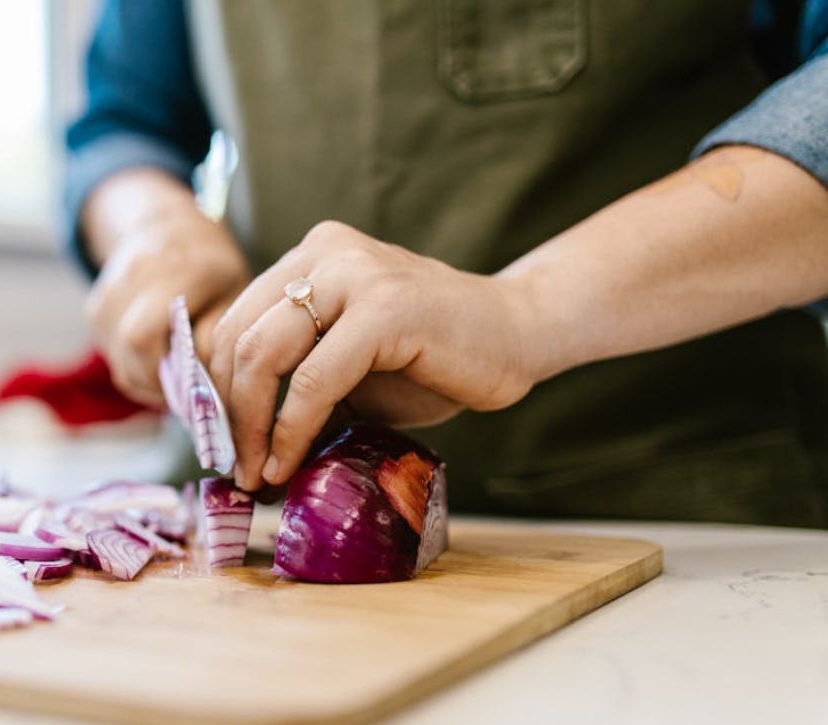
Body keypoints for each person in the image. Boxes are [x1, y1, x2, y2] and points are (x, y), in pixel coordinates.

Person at [64, 0, 828, 526]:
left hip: (676, 513)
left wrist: (524, 311)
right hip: (266, 521)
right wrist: (151, 224)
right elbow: (124, 120)